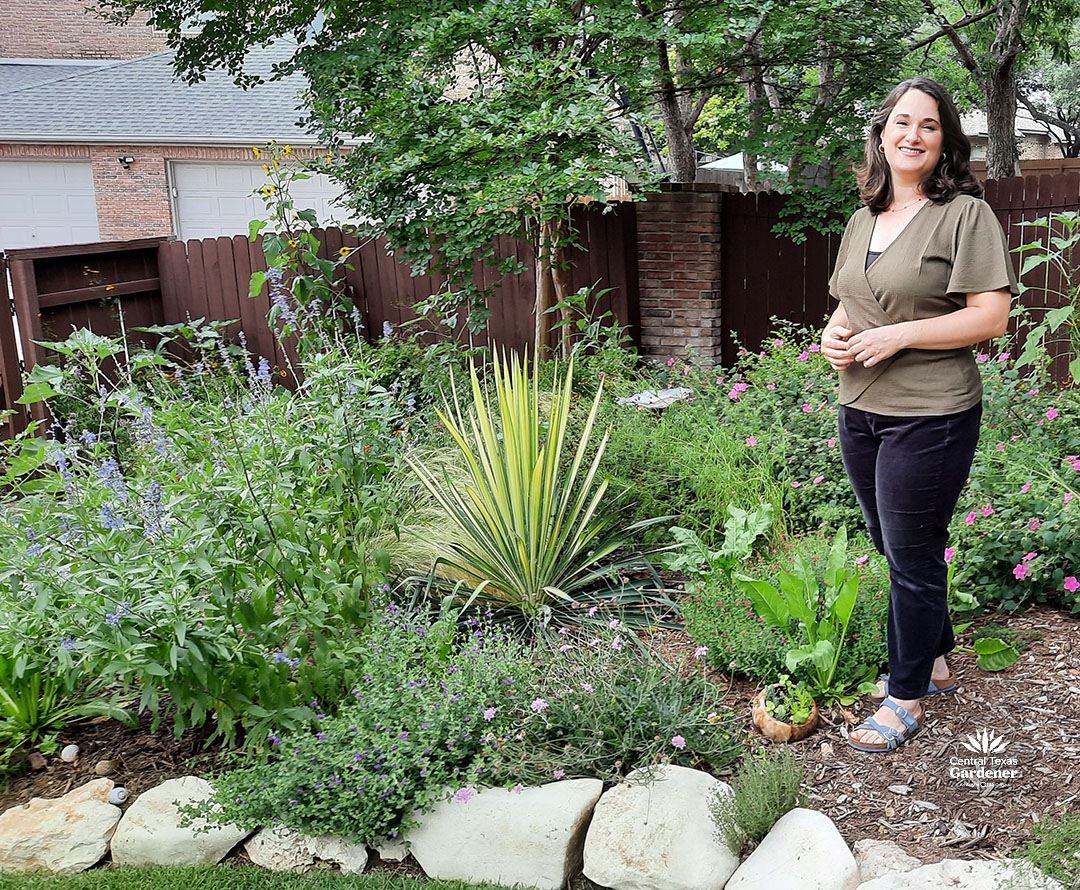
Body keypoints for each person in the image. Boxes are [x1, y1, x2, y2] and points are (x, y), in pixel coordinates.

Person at [820, 77, 1018, 752]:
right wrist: (832, 333)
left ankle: (906, 695)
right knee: (894, 545)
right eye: (900, 122)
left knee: (910, 556)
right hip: (859, 405)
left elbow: (991, 315)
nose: (912, 134)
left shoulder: (965, 215)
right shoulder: (864, 217)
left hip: (929, 413)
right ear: (881, 135)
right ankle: (934, 656)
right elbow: (855, 297)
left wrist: (900, 336)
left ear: (945, 142)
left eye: (928, 126)